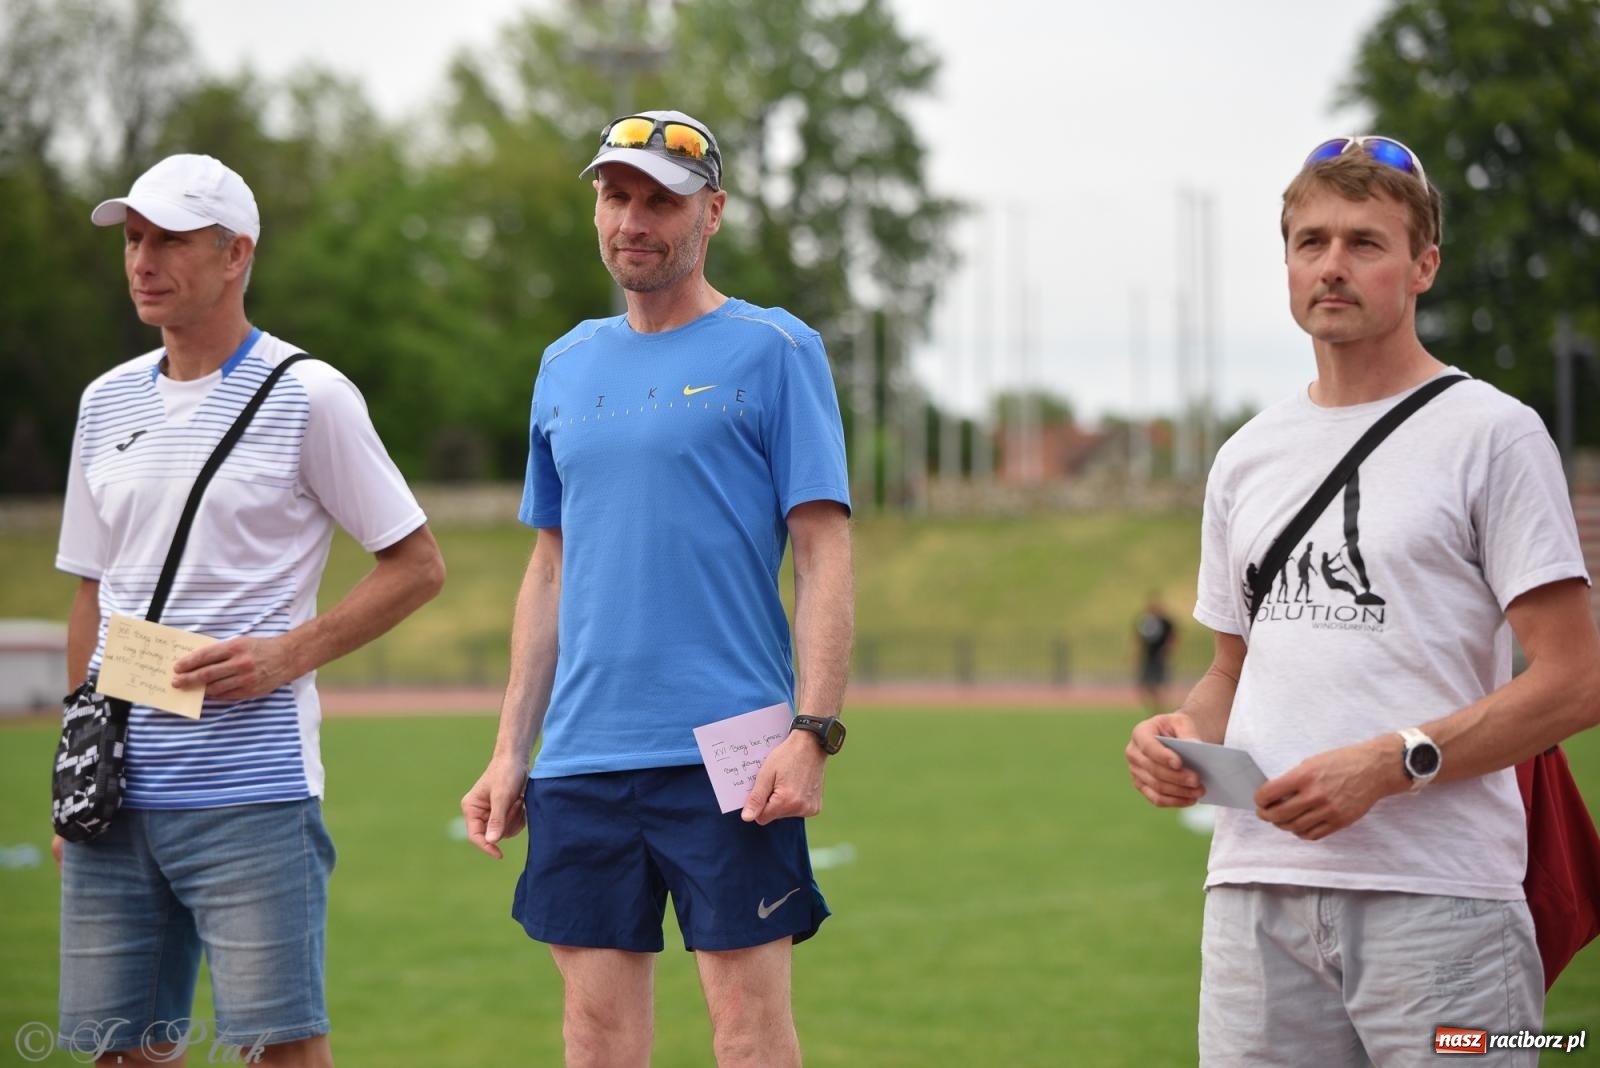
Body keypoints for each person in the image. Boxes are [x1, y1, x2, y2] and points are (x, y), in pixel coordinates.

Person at [1124, 135, 1600, 1066]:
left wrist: (1394, 763)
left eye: (1364, 243)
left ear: (1424, 265)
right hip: (1255, 897)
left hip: (1443, 907)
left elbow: (1578, 680)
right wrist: (1178, 736)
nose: (1331, 265)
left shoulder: (1494, 434)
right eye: (1310, 242)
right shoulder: (1246, 455)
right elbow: (1233, 665)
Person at [460, 110, 852, 1068]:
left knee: (750, 1033)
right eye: (615, 196)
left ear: (710, 213)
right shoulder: (563, 364)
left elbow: (825, 555)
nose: (633, 220)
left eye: (659, 201)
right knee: (594, 1038)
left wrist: (814, 731)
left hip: (735, 751)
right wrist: (512, 749)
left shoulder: (776, 350)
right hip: (581, 757)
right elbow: (548, 569)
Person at [55, 153, 445, 1067]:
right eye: (134, 239)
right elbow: (90, 589)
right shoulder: (102, 400)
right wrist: (78, 766)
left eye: (171, 241)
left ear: (237, 254)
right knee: (118, 1054)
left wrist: (285, 655)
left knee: (281, 1051)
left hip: (252, 794)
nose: (143, 260)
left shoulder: (310, 395)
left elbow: (416, 565)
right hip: (116, 797)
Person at [1132, 594, 1178, 713]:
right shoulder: (1145, 621)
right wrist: (1134, 655)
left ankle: (1159, 709)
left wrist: (1167, 651)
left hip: (1159, 658)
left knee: (1159, 684)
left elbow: (1173, 637)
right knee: (1144, 685)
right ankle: (1154, 708)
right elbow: (1138, 638)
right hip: (1147, 657)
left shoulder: (1165, 622)